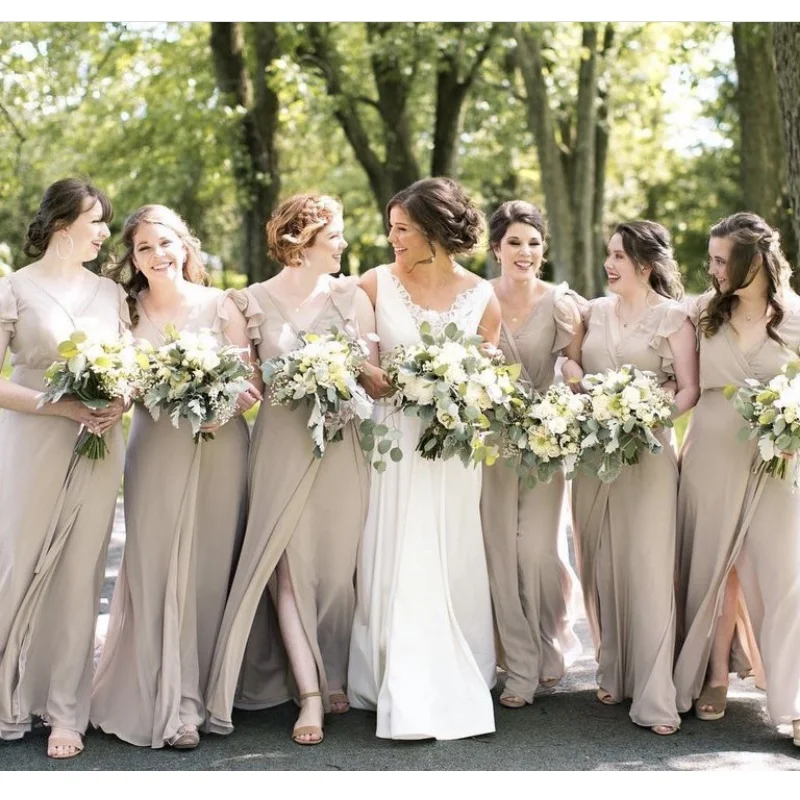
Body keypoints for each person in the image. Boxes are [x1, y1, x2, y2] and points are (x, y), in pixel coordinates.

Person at [204, 194, 375, 746]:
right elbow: (245, 385)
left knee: (338, 567)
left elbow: (375, 375)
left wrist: (344, 372)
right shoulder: (248, 301)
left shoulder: (353, 297)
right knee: (287, 569)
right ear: (302, 240)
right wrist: (210, 409)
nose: (344, 244)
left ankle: (337, 671)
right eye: (336, 236)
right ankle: (309, 695)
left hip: (342, 444)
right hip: (280, 444)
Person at [90, 205, 257, 749]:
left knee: (208, 569)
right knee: (156, 565)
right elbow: (115, 375)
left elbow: (251, 381)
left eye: (165, 243)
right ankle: (173, 701)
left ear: (185, 245)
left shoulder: (222, 304)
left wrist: (225, 407)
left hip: (219, 447)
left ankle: (207, 694)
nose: (157, 255)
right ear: (133, 259)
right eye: (143, 248)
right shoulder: (123, 310)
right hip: (156, 447)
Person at [347, 177, 502, 741]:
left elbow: (488, 376)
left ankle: (460, 661)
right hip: (392, 437)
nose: (392, 238)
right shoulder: (374, 282)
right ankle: (388, 669)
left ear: (435, 231)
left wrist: (457, 387)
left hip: (452, 444)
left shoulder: (482, 295)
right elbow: (361, 362)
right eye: (390, 227)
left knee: (450, 542)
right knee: (393, 541)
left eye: (402, 229)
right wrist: (389, 378)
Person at [0, 178, 125, 759]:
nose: (105, 233)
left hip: (98, 441)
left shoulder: (111, 294)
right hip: (31, 440)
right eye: (96, 221)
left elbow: (132, 368)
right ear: (61, 224)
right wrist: (59, 404)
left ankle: (67, 711)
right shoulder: (13, 289)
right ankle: (8, 696)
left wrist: (118, 399)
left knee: (81, 573)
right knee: (17, 565)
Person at [674, 212, 800, 748]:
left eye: (722, 259)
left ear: (754, 260)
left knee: (784, 578)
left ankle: (794, 702)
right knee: (711, 568)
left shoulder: (796, 316)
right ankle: (714, 675)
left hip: (779, 460)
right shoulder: (700, 312)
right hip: (711, 451)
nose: (713, 269)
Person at [571, 221, 699, 736]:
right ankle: (614, 671)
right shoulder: (594, 311)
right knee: (603, 563)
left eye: (619, 255)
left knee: (647, 571)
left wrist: (648, 416)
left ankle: (654, 697)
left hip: (647, 458)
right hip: (593, 457)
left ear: (645, 264)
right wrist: (574, 379)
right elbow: (572, 364)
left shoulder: (674, 317)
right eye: (609, 254)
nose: (610, 263)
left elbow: (688, 389)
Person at [480, 201, 584, 709]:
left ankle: (549, 639)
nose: (525, 252)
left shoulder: (563, 304)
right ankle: (518, 666)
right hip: (493, 441)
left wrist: (569, 379)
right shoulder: (479, 300)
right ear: (496, 247)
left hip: (546, 438)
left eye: (534, 243)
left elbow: (579, 364)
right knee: (500, 552)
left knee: (538, 553)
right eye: (515, 242)